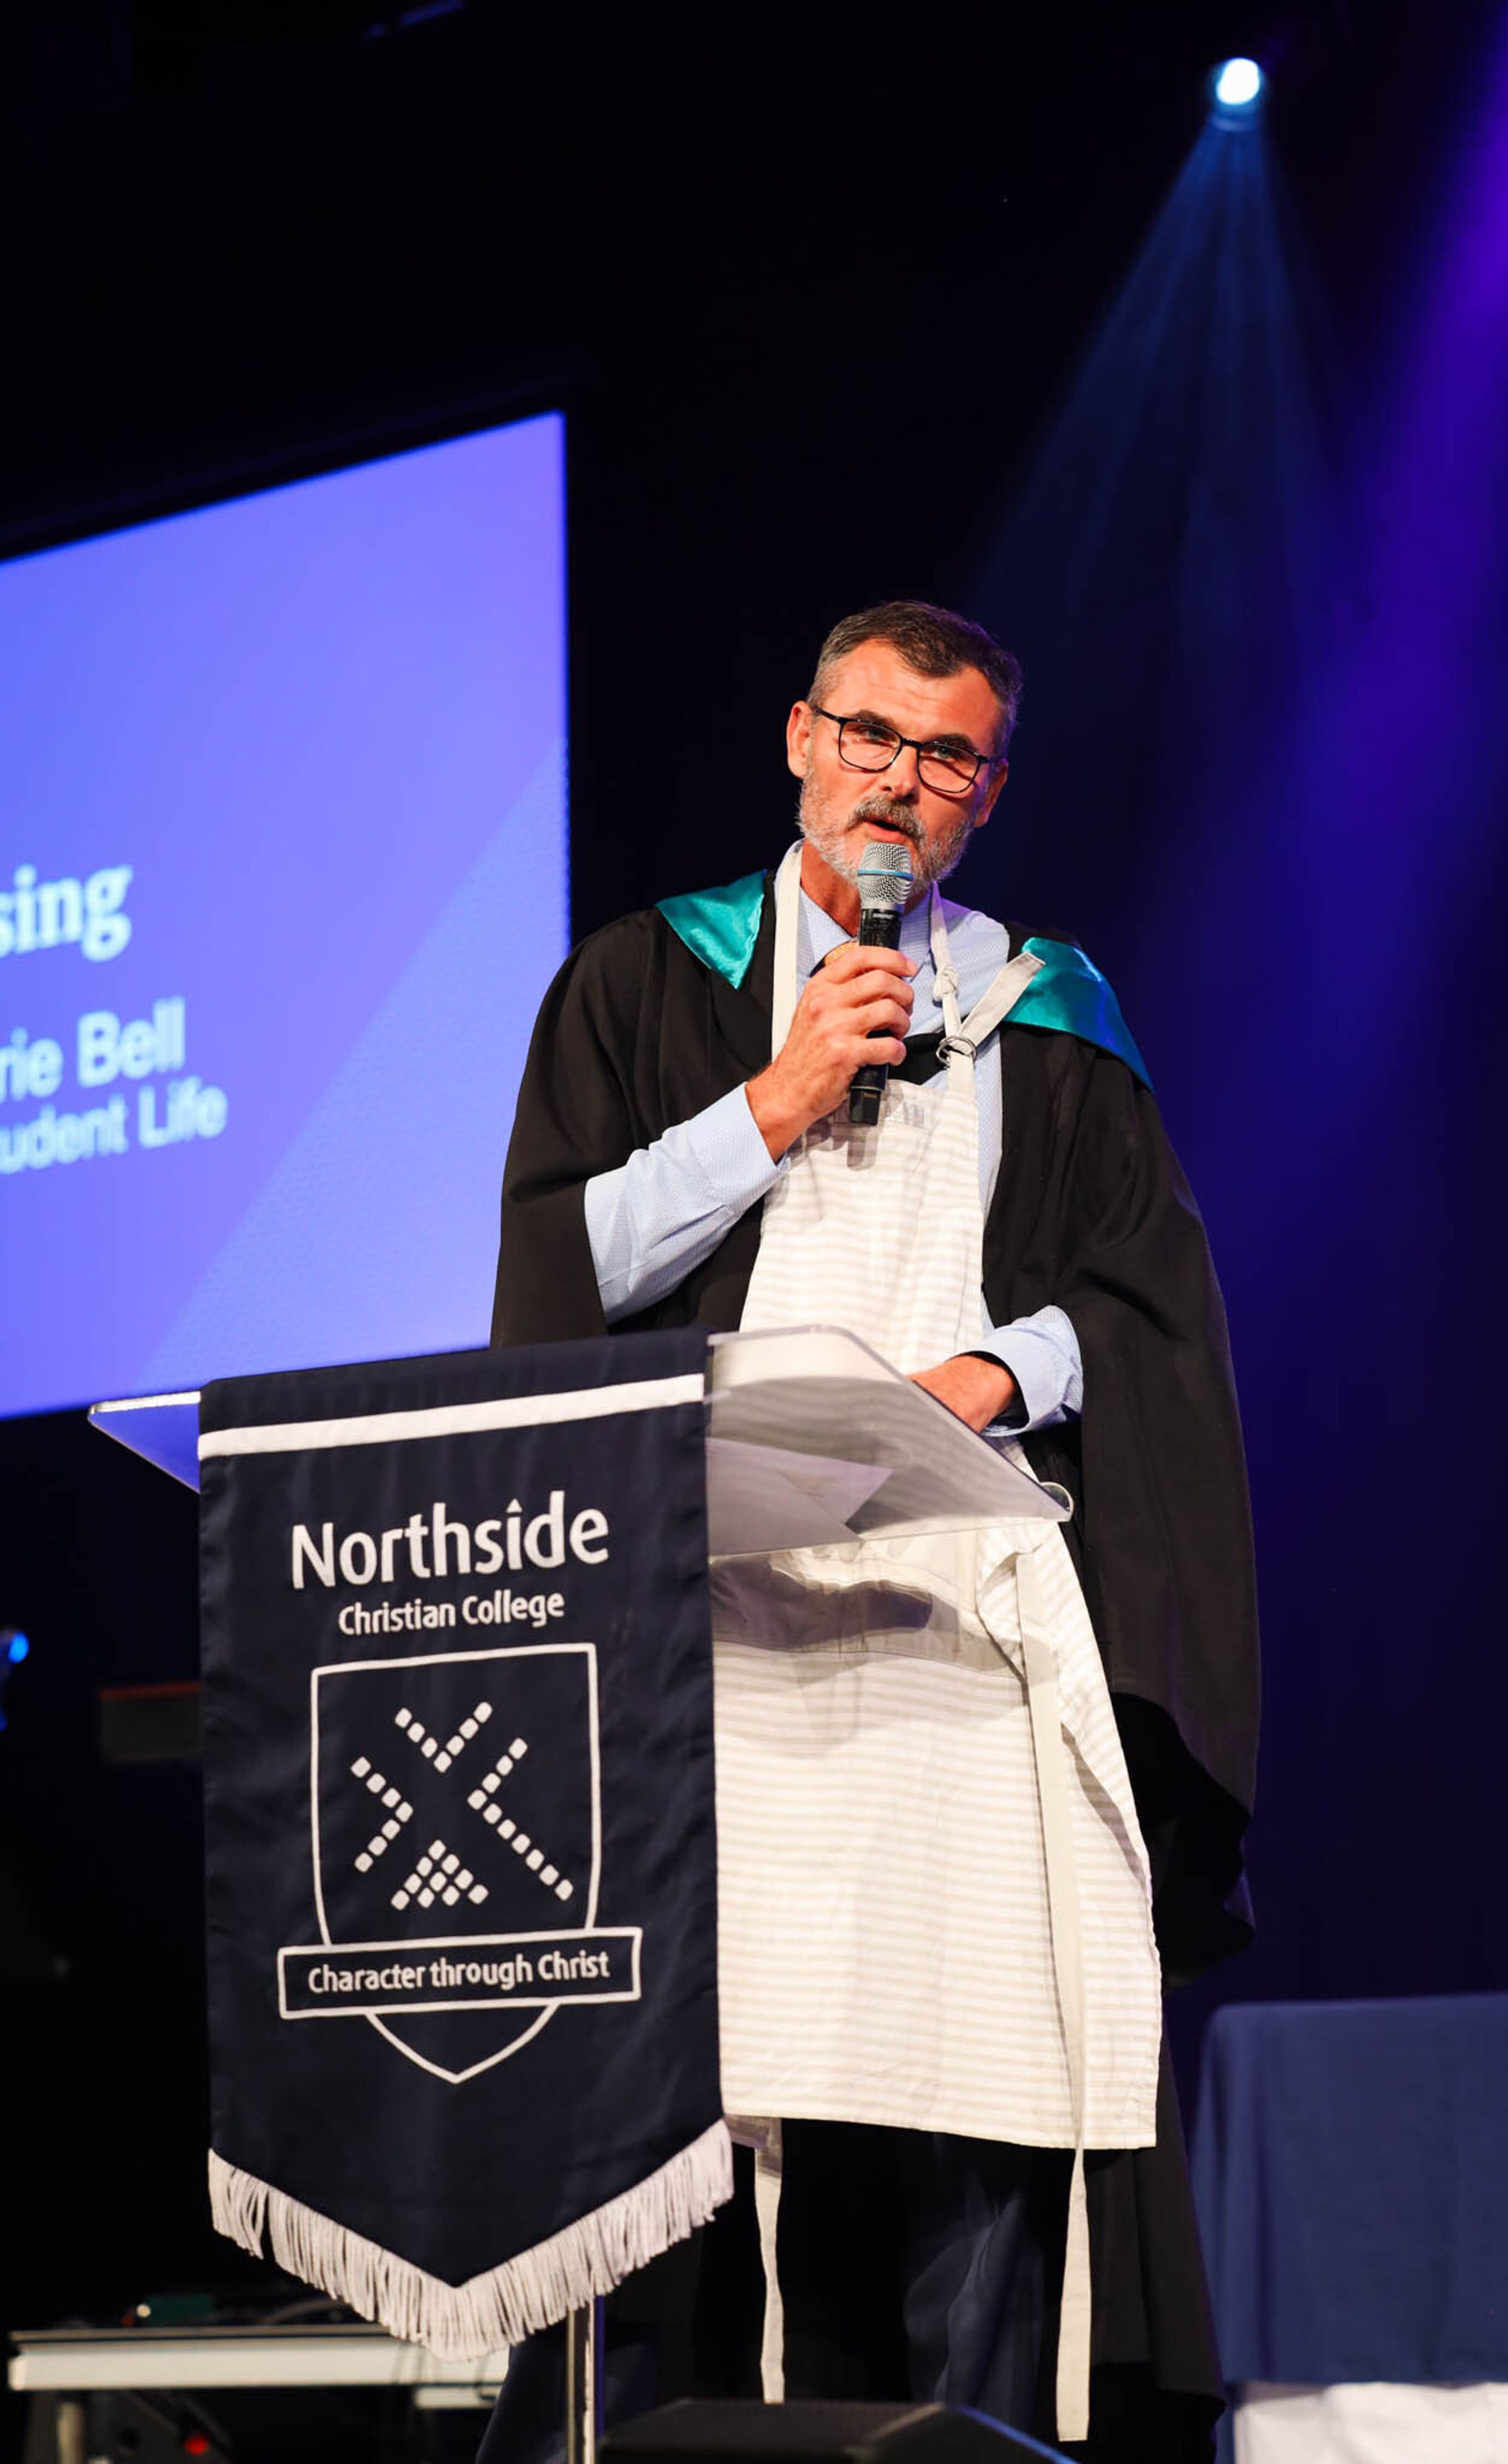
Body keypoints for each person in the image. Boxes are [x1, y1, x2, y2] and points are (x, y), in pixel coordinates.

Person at [486, 602, 1258, 2463]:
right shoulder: (646, 981)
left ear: (988, 794)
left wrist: (990, 1376)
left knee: (969, 2084)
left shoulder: (1046, 1008)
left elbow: (1145, 1307)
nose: (899, 781)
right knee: (720, 2100)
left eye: (947, 755)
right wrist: (772, 1103)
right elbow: (555, 1274)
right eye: (869, 735)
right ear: (798, 738)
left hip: (959, 1632)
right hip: (707, 1639)